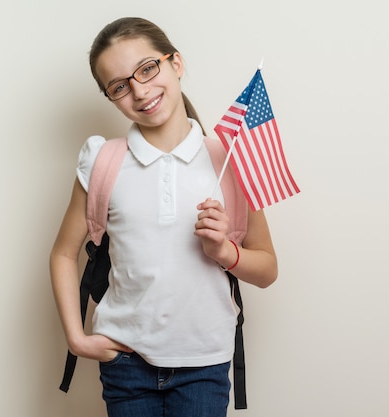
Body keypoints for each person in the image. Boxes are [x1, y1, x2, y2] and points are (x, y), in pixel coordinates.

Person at [50, 16, 278, 417]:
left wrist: (226, 251)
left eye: (147, 68)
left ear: (176, 64)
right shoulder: (102, 160)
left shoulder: (230, 159)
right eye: (120, 86)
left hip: (204, 363)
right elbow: (65, 255)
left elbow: (268, 269)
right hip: (125, 364)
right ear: (111, 95)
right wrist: (77, 338)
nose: (140, 90)